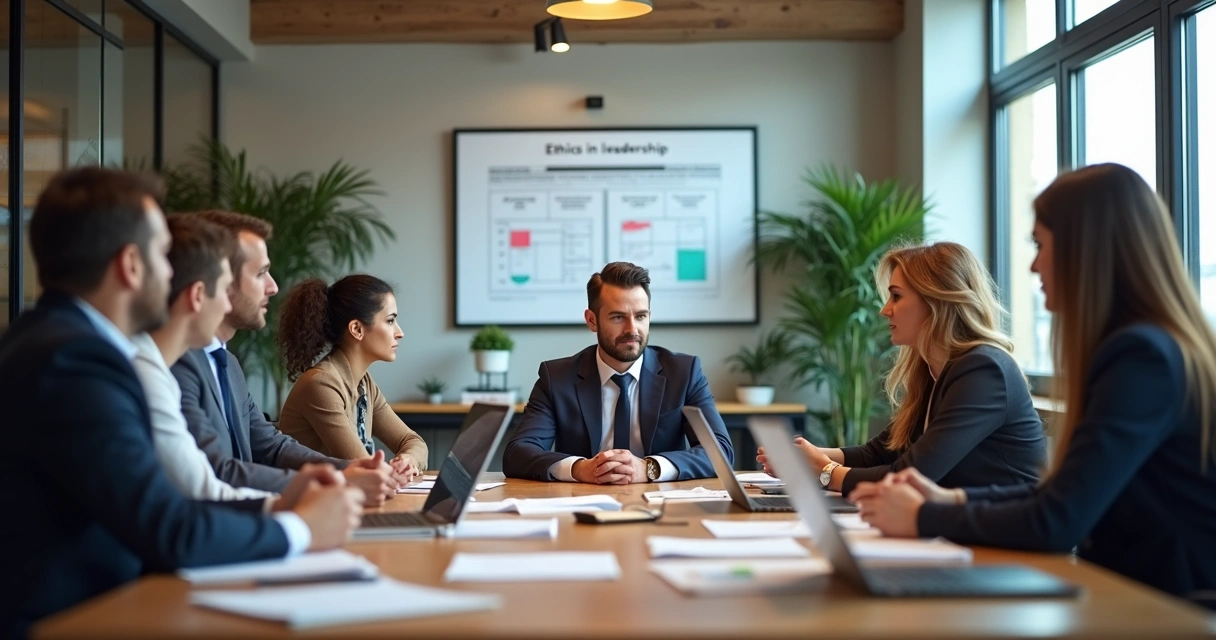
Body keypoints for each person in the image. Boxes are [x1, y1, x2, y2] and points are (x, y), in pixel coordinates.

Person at [0, 167, 363, 635]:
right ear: (131, 265)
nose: (174, 274)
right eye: (161, 257)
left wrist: (287, 509)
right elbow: (169, 526)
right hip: (71, 620)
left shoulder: (58, 344)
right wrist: (302, 529)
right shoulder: (75, 362)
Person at [852, 164, 1216, 603]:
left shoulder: (1141, 358)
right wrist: (953, 502)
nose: (1032, 265)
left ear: (1087, 249)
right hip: (1134, 597)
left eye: (1040, 244)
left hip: (1165, 610)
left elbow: (1058, 521)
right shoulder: (1147, 347)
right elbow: (1057, 493)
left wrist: (925, 517)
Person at [757, 242, 1045, 496]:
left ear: (936, 301)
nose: (885, 310)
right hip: (961, 532)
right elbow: (881, 452)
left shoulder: (984, 370)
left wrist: (825, 472)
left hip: (1010, 545)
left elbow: (913, 475)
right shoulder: (934, 370)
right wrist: (805, 457)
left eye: (896, 296)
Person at [169, 210, 400, 504]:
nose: (274, 287)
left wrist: (349, 468)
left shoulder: (229, 366)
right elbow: (217, 472)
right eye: (261, 273)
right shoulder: (179, 364)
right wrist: (338, 479)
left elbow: (271, 446)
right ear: (220, 282)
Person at [502, 261, 733, 483]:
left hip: (662, 508)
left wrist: (650, 468)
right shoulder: (556, 378)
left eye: (641, 316)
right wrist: (579, 468)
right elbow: (518, 453)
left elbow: (720, 451)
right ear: (592, 321)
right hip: (582, 504)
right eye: (618, 317)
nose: (632, 329)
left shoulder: (684, 373)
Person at [132, 215, 276, 504]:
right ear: (198, 294)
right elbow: (206, 485)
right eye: (223, 289)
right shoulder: (154, 369)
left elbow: (205, 484)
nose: (226, 304)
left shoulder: (220, 364)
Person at [276, 276, 428, 478]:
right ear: (357, 329)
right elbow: (365, 469)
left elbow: (413, 441)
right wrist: (392, 470)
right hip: (310, 506)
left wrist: (408, 460)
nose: (399, 333)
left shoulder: (364, 384)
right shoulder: (321, 384)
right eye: (390, 321)